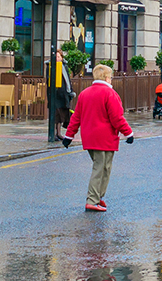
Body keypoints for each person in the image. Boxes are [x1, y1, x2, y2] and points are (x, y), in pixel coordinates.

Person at [61, 63, 134, 212]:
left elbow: (76, 117)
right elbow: (117, 118)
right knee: (100, 168)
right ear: (107, 78)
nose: (111, 80)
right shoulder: (110, 94)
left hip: (89, 137)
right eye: (111, 77)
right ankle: (92, 200)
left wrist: (69, 135)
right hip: (105, 137)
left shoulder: (84, 93)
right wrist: (128, 133)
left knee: (104, 167)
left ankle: (99, 196)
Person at [48, 48, 76, 135]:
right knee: (56, 114)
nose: (57, 58)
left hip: (64, 94)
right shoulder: (50, 67)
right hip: (55, 95)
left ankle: (59, 132)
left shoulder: (64, 67)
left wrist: (69, 91)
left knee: (62, 114)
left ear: (62, 57)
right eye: (55, 57)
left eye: (59, 56)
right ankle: (56, 133)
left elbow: (67, 80)